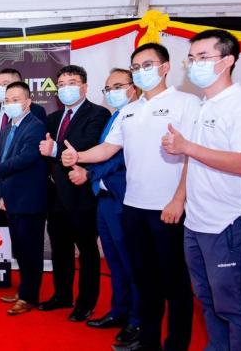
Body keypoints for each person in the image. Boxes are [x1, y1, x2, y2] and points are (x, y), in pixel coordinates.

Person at [61, 43, 198, 351]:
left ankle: (176, 344)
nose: (141, 72)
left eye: (146, 65)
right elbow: (108, 149)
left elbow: (192, 156)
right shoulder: (129, 111)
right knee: (145, 280)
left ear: (165, 68)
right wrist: (78, 155)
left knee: (174, 284)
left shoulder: (186, 103)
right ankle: (147, 341)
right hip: (132, 207)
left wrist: (179, 198)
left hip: (168, 209)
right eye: (136, 67)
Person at [162, 29, 241, 351]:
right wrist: (179, 197)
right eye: (191, 59)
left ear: (227, 61)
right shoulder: (204, 105)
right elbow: (193, 158)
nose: (194, 65)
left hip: (228, 224)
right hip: (197, 222)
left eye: (203, 58)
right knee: (208, 300)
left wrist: (187, 146)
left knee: (237, 307)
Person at [66, 69, 141, 347]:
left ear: (133, 88)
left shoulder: (138, 115)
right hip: (106, 200)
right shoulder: (115, 116)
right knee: (115, 261)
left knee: (131, 262)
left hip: (124, 199)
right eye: (108, 88)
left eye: (118, 86)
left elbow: (117, 157)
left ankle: (137, 319)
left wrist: (88, 172)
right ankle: (119, 311)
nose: (112, 92)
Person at [38, 65, 110, 322]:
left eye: (72, 82)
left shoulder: (98, 114)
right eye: (62, 83)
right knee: (60, 248)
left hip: (81, 194)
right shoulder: (53, 118)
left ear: (84, 86)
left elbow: (88, 146)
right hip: (55, 194)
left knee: (87, 251)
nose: (66, 87)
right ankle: (62, 295)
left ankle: (85, 302)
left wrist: (55, 150)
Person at [0, 81, 48, 315]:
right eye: (7, 100)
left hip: (29, 198)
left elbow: (25, 159)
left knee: (30, 249)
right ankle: (23, 291)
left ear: (28, 102)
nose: (11, 104)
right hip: (12, 196)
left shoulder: (35, 126)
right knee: (19, 247)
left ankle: (29, 297)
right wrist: (3, 193)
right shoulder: (8, 128)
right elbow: (5, 157)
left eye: (16, 100)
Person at [0, 68, 46, 227]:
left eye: (5, 84)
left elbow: (29, 153)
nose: (1, 88)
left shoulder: (35, 114)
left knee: (22, 242)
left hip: (19, 187)